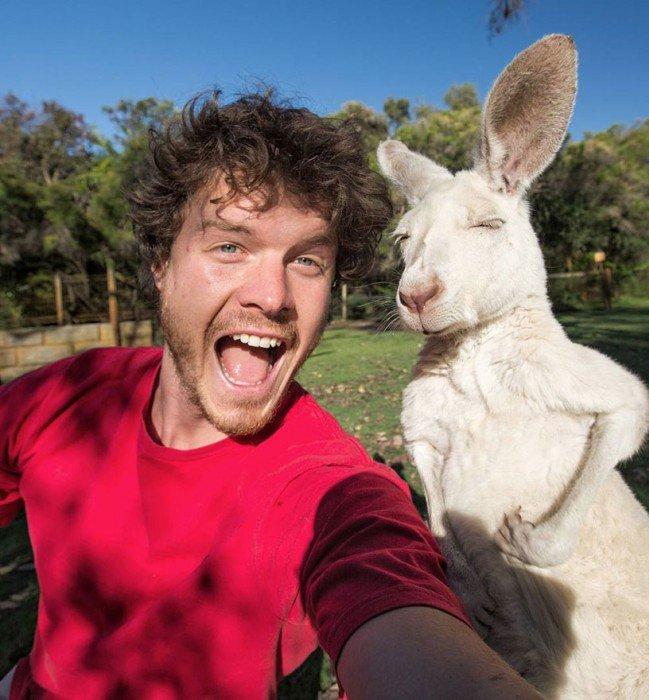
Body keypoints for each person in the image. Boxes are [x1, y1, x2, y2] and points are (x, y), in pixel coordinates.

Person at [0, 92, 539, 699]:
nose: (274, 296)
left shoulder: (333, 493)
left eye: (306, 260)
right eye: (230, 246)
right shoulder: (66, 395)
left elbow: (395, 605)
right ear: (161, 263)